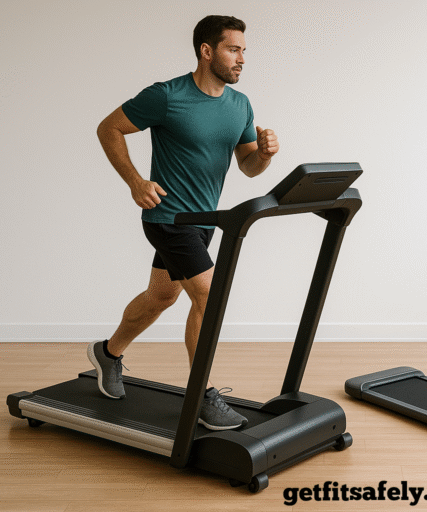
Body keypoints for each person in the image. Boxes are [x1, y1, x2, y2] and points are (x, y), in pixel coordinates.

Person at [91, 15, 279, 431]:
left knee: (161, 297)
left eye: (245, 50)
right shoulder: (167, 96)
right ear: (206, 51)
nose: (242, 59)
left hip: (203, 222)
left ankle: (108, 353)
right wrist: (135, 182)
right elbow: (110, 128)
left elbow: (248, 167)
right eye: (234, 49)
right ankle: (202, 395)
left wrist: (264, 154)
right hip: (168, 217)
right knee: (209, 297)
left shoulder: (240, 105)